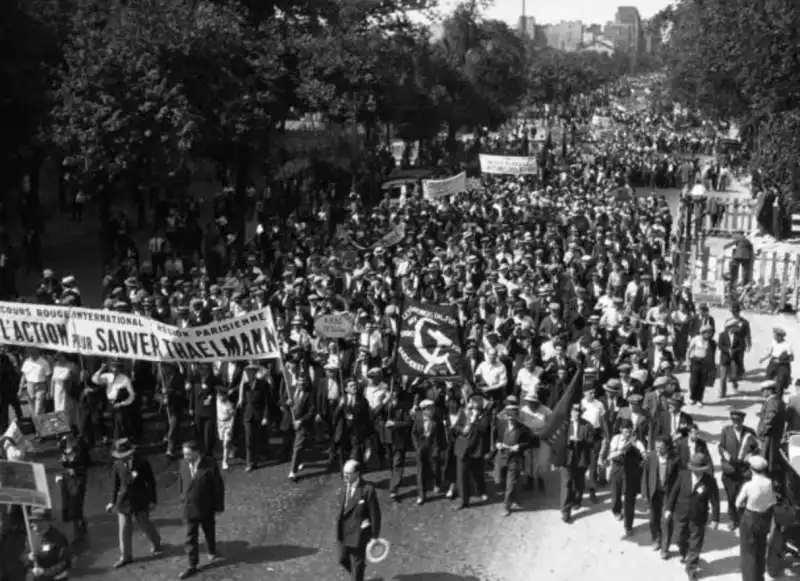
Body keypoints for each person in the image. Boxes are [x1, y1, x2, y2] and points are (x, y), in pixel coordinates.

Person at [106, 438, 162, 568]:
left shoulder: (142, 462)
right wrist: (112, 501)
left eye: (125, 456)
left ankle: (156, 542)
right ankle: (125, 556)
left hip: (140, 498)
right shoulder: (117, 464)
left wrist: (153, 500)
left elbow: (151, 482)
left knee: (144, 523)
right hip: (123, 500)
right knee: (124, 528)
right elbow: (115, 484)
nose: (123, 458)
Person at [665, 453, 720, 580]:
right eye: (693, 469)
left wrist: (715, 518)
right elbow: (674, 493)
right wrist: (669, 508)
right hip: (681, 513)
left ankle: (691, 568)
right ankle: (685, 553)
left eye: (698, 470)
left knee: (696, 543)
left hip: (699, 517)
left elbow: (715, 500)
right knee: (679, 538)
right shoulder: (683, 475)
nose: (695, 472)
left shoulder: (710, 481)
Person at [178, 440, 225, 579]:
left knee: (209, 530)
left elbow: (218, 487)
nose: (185, 457)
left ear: (197, 452)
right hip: (189, 507)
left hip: (206, 507)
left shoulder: (210, 464)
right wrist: (181, 497)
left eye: (188, 454)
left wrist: (219, 506)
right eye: (184, 454)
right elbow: (181, 481)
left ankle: (212, 550)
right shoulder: (182, 464)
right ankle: (192, 564)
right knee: (190, 537)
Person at [337, 459, 382, 581]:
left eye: (348, 473)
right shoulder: (345, 486)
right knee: (342, 559)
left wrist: (374, 536)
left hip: (359, 534)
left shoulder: (367, 490)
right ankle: (359, 575)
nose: (345, 476)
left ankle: (358, 575)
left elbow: (375, 514)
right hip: (345, 531)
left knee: (357, 564)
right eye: (344, 473)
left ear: (357, 473)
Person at [491, 396, 535, 516]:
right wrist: (497, 444)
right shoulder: (501, 425)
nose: (510, 418)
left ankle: (507, 506)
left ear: (516, 415)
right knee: (500, 479)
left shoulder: (524, 429)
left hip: (515, 459)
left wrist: (519, 446)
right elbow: (496, 437)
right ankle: (512, 495)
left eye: (513, 415)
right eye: (508, 415)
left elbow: (531, 442)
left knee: (511, 483)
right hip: (501, 457)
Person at [736, 455, 777, 581]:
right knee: (760, 549)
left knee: (748, 553)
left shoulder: (749, 485)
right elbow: (772, 501)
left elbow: (738, 503)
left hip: (750, 519)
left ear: (752, 469)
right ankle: (760, 576)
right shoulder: (769, 483)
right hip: (764, 518)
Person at [553, 402, 593, 523]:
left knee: (579, 483)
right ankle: (566, 511)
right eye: (575, 411)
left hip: (581, 459)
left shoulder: (587, 425)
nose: (577, 413)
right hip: (567, 459)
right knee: (567, 484)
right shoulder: (564, 425)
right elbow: (557, 442)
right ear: (571, 412)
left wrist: (581, 441)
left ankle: (577, 499)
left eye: (579, 411)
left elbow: (591, 443)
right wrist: (567, 442)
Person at [719, 409, 758, 530]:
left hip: (743, 470)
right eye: (734, 421)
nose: (737, 424)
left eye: (739, 421)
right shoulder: (726, 431)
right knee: (731, 497)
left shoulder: (749, 432)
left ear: (742, 421)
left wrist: (752, 454)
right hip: (729, 469)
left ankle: (741, 520)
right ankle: (733, 519)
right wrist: (724, 454)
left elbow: (756, 448)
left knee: (742, 496)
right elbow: (721, 446)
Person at [642, 436, 680, 558]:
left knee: (667, 520)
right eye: (656, 446)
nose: (658, 449)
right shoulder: (651, 457)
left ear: (667, 447)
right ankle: (656, 539)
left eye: (661, 447)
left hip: (668, 495)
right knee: (653, 519)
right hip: (654, 493)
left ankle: (665, 548)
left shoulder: (675, 459)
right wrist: (644, 494)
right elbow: (645, 476)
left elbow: (679, 480)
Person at [55, 433, 90, 542]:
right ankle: (80, 521)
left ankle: (77, 533)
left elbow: (85, 466)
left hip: (78, 480)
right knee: (69, 504)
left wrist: (76, 470)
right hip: (67, 480)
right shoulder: (62, 450)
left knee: (76, 504)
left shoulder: (79, 450)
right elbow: (63, 464)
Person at [24, 508, 71, 581]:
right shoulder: (31, 535)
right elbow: (23, 555)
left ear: (44, 521)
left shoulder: (59, 538)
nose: (31, 523)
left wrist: (45, 572)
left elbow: (65, 563)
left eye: (35, 521)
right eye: (31, 521)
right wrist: (28, 557)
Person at [756, 380, 786, 476]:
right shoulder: (775, 401)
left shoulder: (773, 402)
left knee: (767, 463)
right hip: (771, 436)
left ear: (769, 390)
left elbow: (770, 419)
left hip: (770, 437)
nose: (762, 392)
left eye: (763, 390)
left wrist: (761, 432)